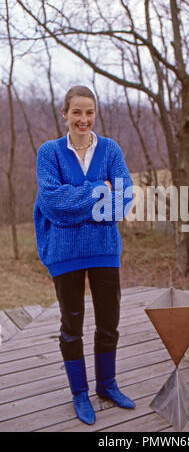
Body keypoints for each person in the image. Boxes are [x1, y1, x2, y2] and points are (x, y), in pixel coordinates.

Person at [33, 85, 135, 426]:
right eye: (76, 112)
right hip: (65, 252)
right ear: (64, 114)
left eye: (89, 112)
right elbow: (52, 203)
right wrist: (97, 191)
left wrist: (78, 204)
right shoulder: (49, 153)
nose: (83, 119)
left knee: (109, 324)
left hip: (105, 250)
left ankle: (107, 385)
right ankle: (80, 392)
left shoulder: (110, 150)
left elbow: (122, 198)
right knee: (71, 325)